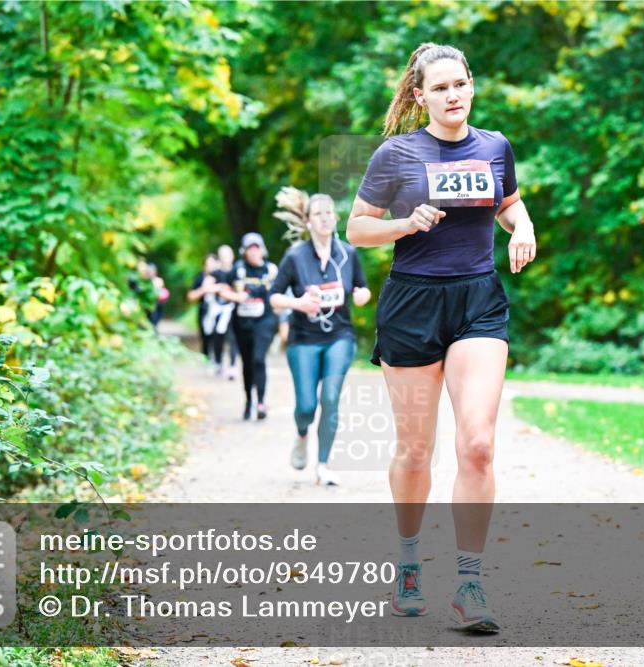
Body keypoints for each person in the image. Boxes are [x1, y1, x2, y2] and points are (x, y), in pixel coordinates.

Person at [345, 43, 537, 632]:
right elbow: (357, 229)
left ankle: (470, 583)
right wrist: (406, 222)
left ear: (471, 86)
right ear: (419, 95)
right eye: (440, 87)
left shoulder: (495, 145)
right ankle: (407, 562)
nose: (453, 95)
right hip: (413, 302)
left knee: (477, 443)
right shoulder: (397, 154)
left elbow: (508, 203)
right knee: (416, 449)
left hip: (478, 299)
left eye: (461, 84)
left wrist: (522, 226)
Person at [269, 188, 371, 487]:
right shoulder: (295, 257)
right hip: (303, 338)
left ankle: (324, 464)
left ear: (335, 218)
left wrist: (362, 294)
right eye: (318, 214)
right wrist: (297, 303)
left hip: (340, 335)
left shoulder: (347, 254)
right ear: (309, 221)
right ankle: (302, 434)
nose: (325, 219)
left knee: (330, 398)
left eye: (329, 213)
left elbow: (361, 288)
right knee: (305, 406)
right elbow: (274, 297)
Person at [217, 233, 280, 420]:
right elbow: (222, 290)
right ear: (244, 252)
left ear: (262, 250)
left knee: (259, 359)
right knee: (247, 363)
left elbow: (281, 291)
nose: (254, 252)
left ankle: (261, 402)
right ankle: (248, 400)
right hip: (242, 323)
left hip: (265, 321)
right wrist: (236, 297)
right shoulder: (238, 270)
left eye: (257, 248)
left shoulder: (271, 270)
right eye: (250, 249)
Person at [187, 253, 220, 359]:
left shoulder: (222, 276)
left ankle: (218, 360)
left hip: (220, 311)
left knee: (219, 335)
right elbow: (190, 296)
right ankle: (206, 358)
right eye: (208, 264)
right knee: (205, 336)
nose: (210, 267)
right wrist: (204, 289)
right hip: (204, 310)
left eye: (213, 264)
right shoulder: (200, 277)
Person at [213, 244, 239, 380]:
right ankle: (218, 362)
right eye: (223, 255)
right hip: (219, 309)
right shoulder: (215, 273)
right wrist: (219, 288)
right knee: (218, 337)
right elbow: (207, 287)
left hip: (234, 309)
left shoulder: (237, 271)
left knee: (233, 338)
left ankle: (233, 366)